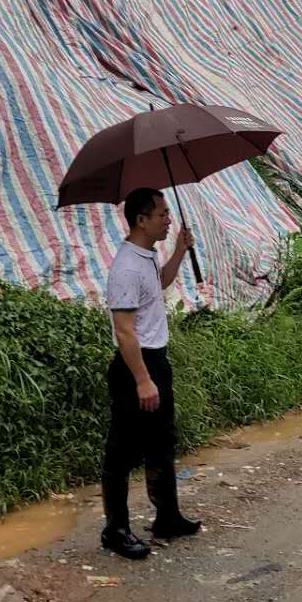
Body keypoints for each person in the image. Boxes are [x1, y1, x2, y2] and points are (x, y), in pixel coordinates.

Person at [100, 187, 202, 559]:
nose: (169, 219)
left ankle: (167, 517)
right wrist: (143, 379)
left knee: (162, 442)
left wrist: (178, 251)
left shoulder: (145, 256)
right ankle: (115, 530)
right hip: (135, 366)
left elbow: (159, 284)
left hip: (155, 360)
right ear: (141, 220)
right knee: (122, 451)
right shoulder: (126, 267)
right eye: (162, 214)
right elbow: (124, 330)